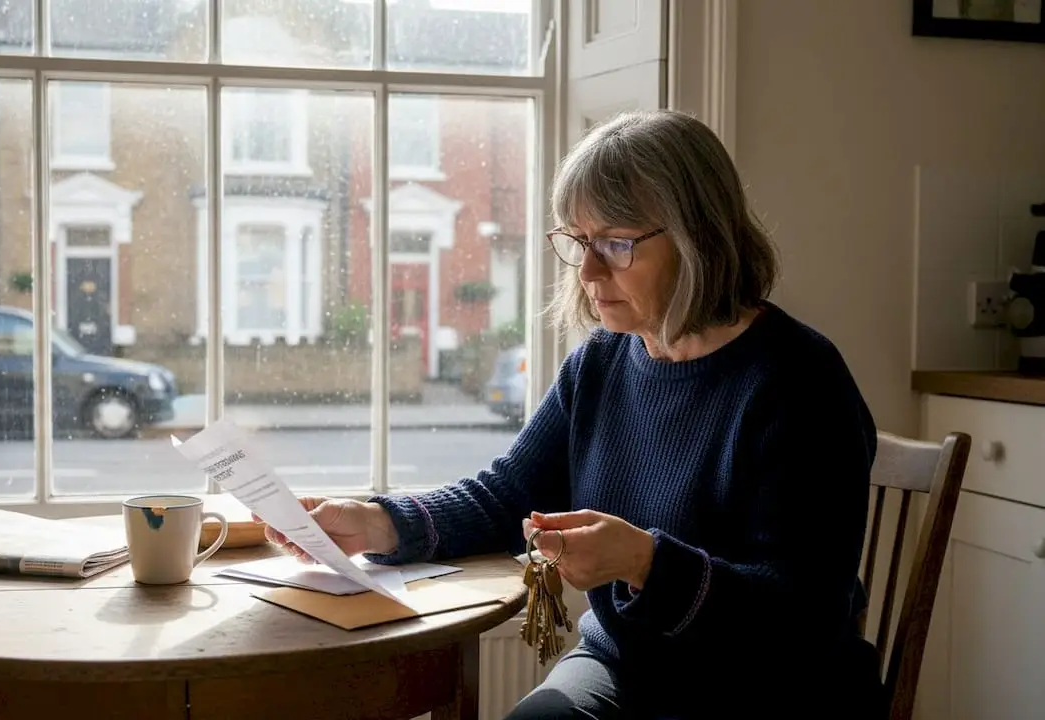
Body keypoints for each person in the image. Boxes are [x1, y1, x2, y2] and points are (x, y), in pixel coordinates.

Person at [265, 109, 885, 719]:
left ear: (699, 236)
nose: (588, 272)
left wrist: (645, 563)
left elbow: (800, 617)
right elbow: (507, 496)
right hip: (627, 666)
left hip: (770, 691)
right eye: (579, 242)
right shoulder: (602, 361)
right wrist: (377, 525)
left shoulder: (799, 382)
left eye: (616, 243)